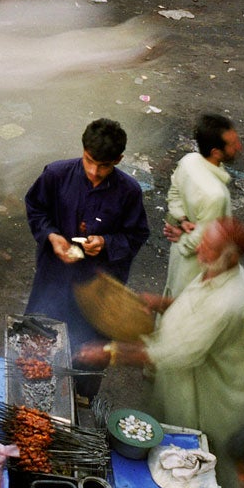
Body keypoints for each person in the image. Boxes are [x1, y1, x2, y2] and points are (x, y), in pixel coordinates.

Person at [82, 218, 244, 471]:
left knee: (192, 458)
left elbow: (173, 353)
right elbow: (195, 303)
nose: (198, 249)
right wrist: (160, 303)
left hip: (208, 393)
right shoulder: (220, 268)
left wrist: (111, 353)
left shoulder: (226, 302)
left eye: (207, 247)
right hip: (186, 371)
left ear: (230, 258)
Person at [25, 117, 151, 390]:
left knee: (86, 358)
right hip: (53, 279)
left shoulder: (128, 192)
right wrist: (52, 236)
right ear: (82, 151)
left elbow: (136, 235)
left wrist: (106, 243)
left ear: (118, 159)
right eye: (89, 161)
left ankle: (80, 399)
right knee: (37, 343)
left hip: (98, 292)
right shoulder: (56, 175)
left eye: (104, 166)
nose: (94, 171)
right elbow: (36, 209)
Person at [166, 111, 239, 295]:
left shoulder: (188, 161)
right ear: (216, 152)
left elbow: (174, 194)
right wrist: (183, 239)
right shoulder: (215, 195)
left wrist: (181, 220)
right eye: (232, 144)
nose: (239, 147)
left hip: (178, 256)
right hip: (196, 268)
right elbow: (202, 237)